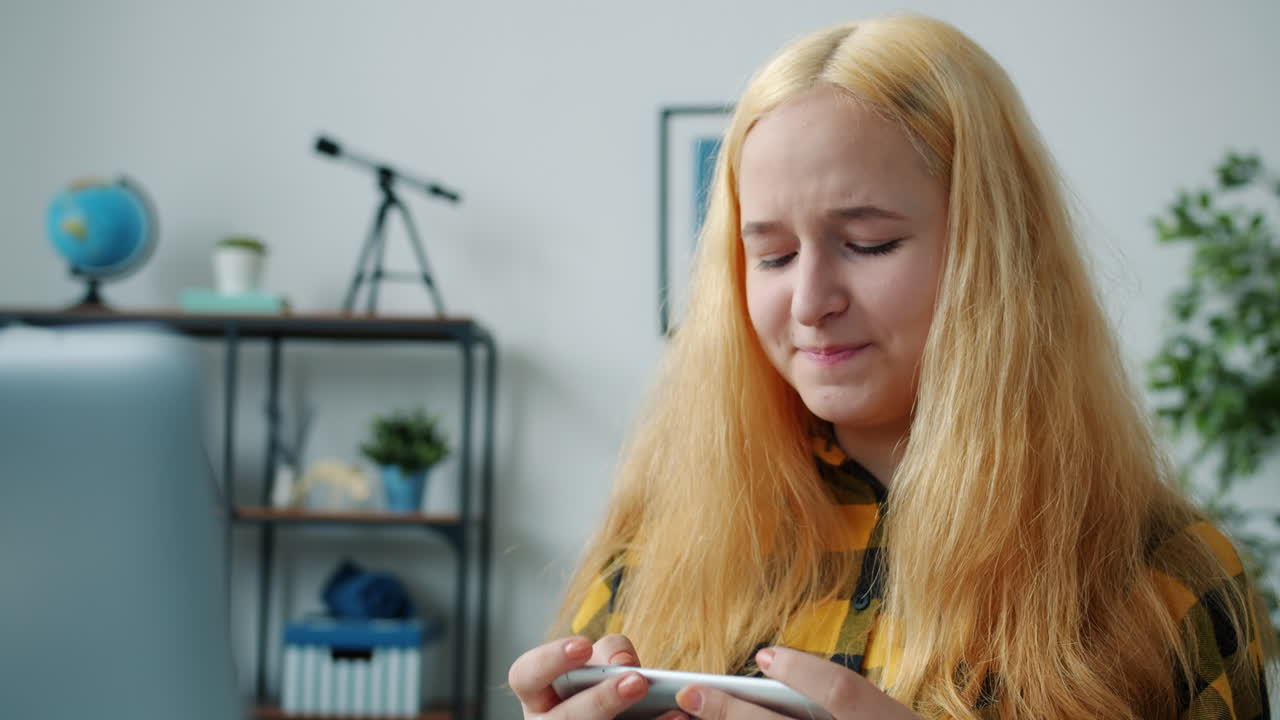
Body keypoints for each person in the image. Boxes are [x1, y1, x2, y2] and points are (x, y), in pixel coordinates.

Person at [509, 14, 1274, 720]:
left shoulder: (1166, 579)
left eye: (868, 243)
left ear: (995, 252)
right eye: (770, 255)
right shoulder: (649, 557)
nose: (809, 302)